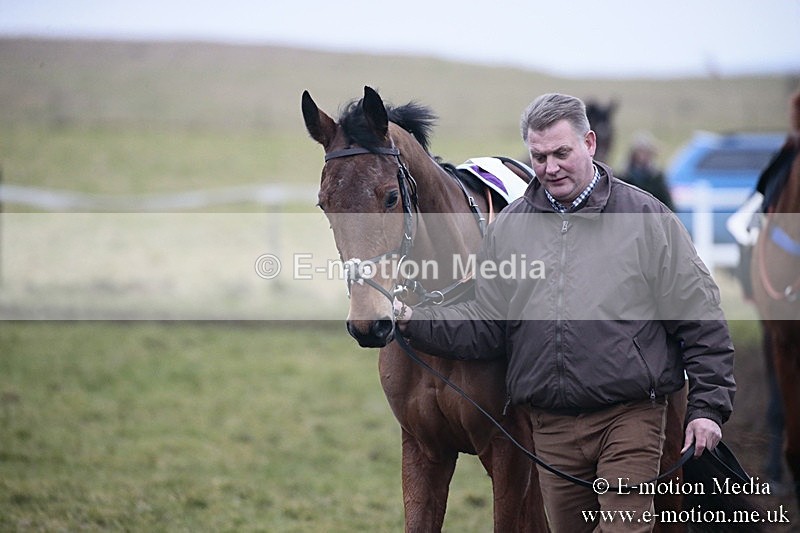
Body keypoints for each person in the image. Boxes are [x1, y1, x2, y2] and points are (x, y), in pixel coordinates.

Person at [395, 93, 736, 532]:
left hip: (629, 418)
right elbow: (486, 324)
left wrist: (707, 407)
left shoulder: (646, 218)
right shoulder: (511, 228)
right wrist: (411, 320)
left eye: (561, 153)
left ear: (589, 143)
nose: (550, 167)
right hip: (550, 431)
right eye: (539, 156)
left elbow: (700, 316)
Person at [620, 131, 674, 210]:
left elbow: (667, 205)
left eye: (646, 152)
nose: (643, 156)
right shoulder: (623, 177)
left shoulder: (657, 178)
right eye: (640, 152)